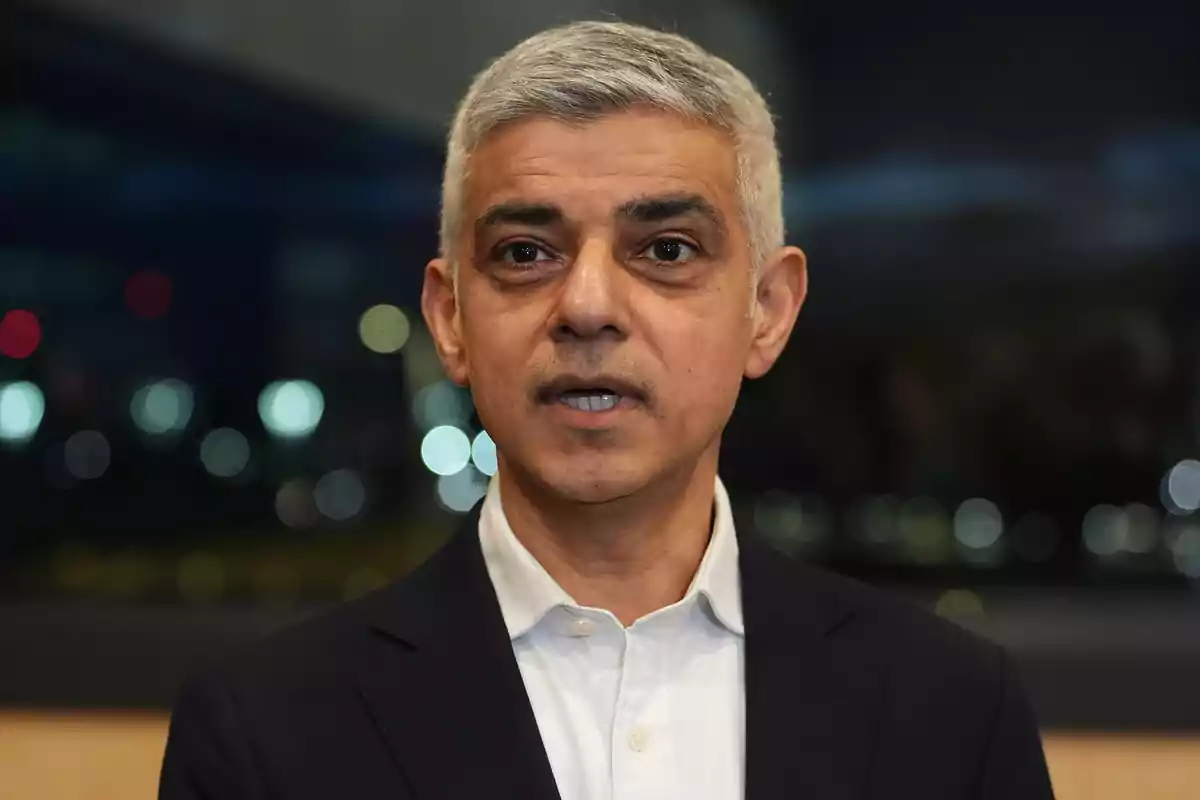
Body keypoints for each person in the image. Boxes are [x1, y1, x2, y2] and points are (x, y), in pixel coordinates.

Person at [159, 20, 1055, 800]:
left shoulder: (953, 711)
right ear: (451, 320)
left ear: (769, 311)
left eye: (666, 248)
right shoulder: (262, 732)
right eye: (524, 252)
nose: (588, 305)